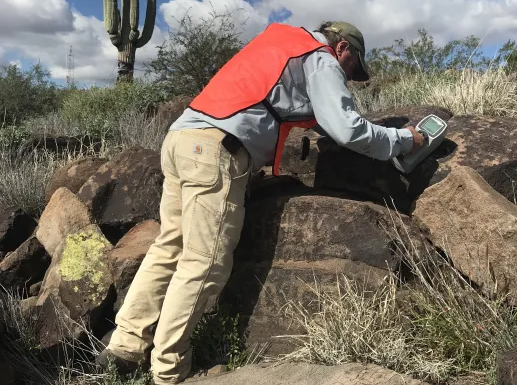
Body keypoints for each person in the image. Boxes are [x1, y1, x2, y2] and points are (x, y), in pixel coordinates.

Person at [96, 20, 425, 384]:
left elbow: (281, 104)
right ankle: (169, 370)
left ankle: (124, 348)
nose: (348, 77)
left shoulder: (281, 44)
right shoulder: (321, 58)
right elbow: (347, 128)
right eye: (352, 68)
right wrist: (404, 140)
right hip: (216, 148)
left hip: (181, 138)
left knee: (170, 246)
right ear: (343, 48)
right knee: (204, 262)